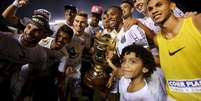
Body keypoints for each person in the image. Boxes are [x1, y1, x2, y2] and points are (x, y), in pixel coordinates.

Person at [146, 0, 201, 100]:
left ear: (172, 5)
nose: (154, 10)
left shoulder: (196, 22)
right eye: (150, 9)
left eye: (159, 5)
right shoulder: (157, 39)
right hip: (172, 97)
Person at [0, 1, 52, 101]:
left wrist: (23, 94)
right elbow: (6, 16)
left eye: (36, 30)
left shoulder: (40, 55)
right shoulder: (4, 39)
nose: (29, 32)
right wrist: (16, 3)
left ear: (44, 35)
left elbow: (33, 76)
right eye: (28, 27)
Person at [64, 12, 91, 101]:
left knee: (75, 95)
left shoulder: (88, 37)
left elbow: (87, 50)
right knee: (61, 94)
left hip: (76, 69)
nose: (79, 24)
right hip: (62, 68)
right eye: (77, 21)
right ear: (73, 21)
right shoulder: (66, 33)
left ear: (87, 24)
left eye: (82, 22)